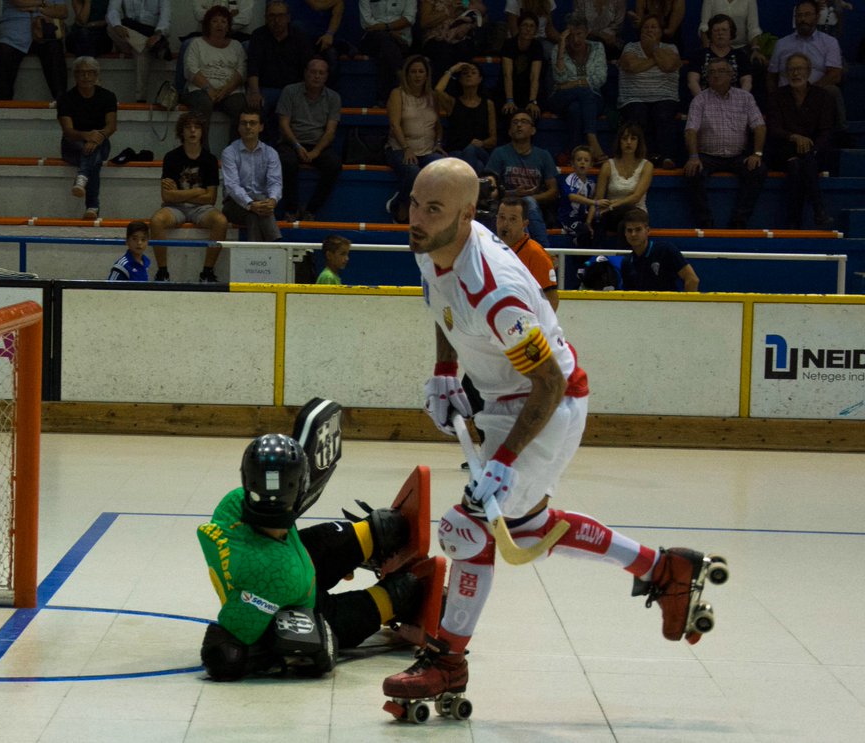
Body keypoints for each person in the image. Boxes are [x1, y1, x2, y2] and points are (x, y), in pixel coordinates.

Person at [381, 157, 718, 702]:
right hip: (500, 399)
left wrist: (503, 462)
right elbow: (441, 305)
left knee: (466, 530)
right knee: (527, 530)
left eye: (433, 208)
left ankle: (448, 662)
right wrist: (446, 372)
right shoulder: (431, 244)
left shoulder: (498, 290)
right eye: (415, 202)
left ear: (467, 215)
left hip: (548, 406)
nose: (416, 217)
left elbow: (550, 385)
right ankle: (663, 568)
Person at [198, 425, 424, 682]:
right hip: (291, 598)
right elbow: (227, 646)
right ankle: (390, 586)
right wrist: (290, 651)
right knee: (372, 602)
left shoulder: (234, 502)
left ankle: (382, 565)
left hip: (289, 566)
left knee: (350, 539)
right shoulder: (273, 576)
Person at [683, 58, 766, 229]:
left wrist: (757, 153)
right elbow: (691, 130)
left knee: (758, 169)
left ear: (731, 75)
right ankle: (704, 221)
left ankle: (739, 221)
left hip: (738, 156)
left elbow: (759, 126)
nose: (715, 75)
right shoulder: (700, 100)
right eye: (711, 72)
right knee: (692, 171)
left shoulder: (745, 98)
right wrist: (693, 157)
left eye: (720, 71)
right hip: (707, 156)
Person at [149, 112, 228, 282]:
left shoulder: (210, 159)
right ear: (181, 132)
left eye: (197, 127)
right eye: (188, 127)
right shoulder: (171, 157)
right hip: (175, 208)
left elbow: (211, 199)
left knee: (221, 221)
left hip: (201, 209)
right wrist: (197, 192)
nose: (192, 131)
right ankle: (162, 272)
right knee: (156, 221)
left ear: (202, 132)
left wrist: (180, 194)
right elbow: (167, 195)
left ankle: (207, 272)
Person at [767, 52, 836, 228]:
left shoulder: (823, 96)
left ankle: (793, 220)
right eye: (791, 69)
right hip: (784, 150)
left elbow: (826, 131)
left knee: (801, 164)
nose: (795, 73)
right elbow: (774, 128)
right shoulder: (777, 96)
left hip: (814, 151)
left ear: (809, 71)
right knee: (798, 162)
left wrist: (812, 147)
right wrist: (794, 137)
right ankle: (819, 211)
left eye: (799, 69)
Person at [277, 57, 342, 222]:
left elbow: (330, 131)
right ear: (305, 73)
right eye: (313, 72)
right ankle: (291, 209)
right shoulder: (290, 91)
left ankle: (311, 210)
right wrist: (297, 146)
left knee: (334, 165)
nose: (317, 76)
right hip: (291, 141)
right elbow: (284, 124)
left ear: (327, 76)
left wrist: (316, 152)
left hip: (318, 144)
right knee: (287, 162)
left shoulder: (334, 97)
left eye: (321, 73)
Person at [768, 1, 847, 135]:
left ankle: (841, 133)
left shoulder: (829, 42)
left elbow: (835, 74)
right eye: (799, 15)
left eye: (807, 15)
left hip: (817, 95)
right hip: (787, 97)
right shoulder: (782, 44)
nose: (803, 19)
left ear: (817, 17)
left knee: (833, 91)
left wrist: (809, 91)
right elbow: (771, 76)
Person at [384, 55, 444, 224]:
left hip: (427, 149)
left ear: (426, 75)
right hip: (399, 148)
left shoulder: (432, 96)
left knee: (442, 166)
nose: (417, 75)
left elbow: (438, 124)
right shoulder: (397, 94)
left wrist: (438, 143)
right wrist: (406, 148)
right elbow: (395, 124)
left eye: (421, 71)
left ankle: (430, 213)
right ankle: (401, 203)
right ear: (407, 74)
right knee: (413, 171)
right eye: (413, 72)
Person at [484, 111, 557, 249]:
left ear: (533, 130)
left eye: (524, 121)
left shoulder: (543, 155)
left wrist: (532, 197)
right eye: (515, 122)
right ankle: (542, 251)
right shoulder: (499, 153)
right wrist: (513, 194)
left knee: (528, 202)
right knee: (524, 203)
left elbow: (553, 191)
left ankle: (542, 251)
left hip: (535, 206)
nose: (519, 125)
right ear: (510, 131)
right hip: (505, 204)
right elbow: (489, 189)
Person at [57, 56, 118, 220]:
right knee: (94, 160)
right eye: (81, 73)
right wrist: (86, 135)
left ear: (97, 75)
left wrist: (97, 137)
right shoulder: (65, 99)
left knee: (95, 150)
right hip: (72, 145)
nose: (86, 77)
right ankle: (92, 206)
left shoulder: (108, 96)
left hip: (100, 141)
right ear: (75, 76)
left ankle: (82, 178)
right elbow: (68, 130)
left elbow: (111, 126)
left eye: (90, 73)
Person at [247, 2, 318, 139]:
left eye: (280, 15)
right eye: (272, 16)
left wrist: (307, 91)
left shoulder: (299, 36)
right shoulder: (258, 35)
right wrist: (254, 92)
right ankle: (265, 148)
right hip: (267, 88)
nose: (276, 20)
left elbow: (308, 66)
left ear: (288, 18)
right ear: (266, 18)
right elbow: (253, 68)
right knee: (256, 108)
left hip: (294, 89)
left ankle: (288, 147)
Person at [617, 14, 681, 167]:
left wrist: (653, 48)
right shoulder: (630, 47)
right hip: (634, 98)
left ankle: (667, 157)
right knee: (638, 114)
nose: (649, 30)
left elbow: (668, 65)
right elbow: (632, 66)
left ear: (661, 31)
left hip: (665, 96)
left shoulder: (671, 48)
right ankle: (642, 158)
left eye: (654, 27)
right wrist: (655, 59)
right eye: (646, 27)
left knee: (663, 113)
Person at [181, 6, 248, 148]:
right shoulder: (196, 43)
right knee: (203, 104)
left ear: (228, 26)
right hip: (200, 89)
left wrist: (226, 90)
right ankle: (202, 151)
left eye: (223, 21)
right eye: (215, 21)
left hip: (229, 91)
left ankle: (234, 152)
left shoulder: (236, 46)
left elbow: (242, 70)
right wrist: (208, 89)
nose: (219, 25)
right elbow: (190, 69)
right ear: (207, 24)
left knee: (241, 107)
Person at [547, 14, 608, 163]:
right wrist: (561, 45)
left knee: (575, 108)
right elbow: (560, 79)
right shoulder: (558, 49)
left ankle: (575, 152)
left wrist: (574, 83)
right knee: (583, 92)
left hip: (593, 99)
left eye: (579, 34)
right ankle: (592, 139)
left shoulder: (597, 47)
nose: (575, 40)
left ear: (587, 32)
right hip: (561, 98)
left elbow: (600, 78)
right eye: (571, 35)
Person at [221, 109, 283, 242]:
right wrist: (251, 203)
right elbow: (232, 185)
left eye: (252, 123)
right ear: (238, 127)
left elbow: (275, 182)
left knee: (253, 216)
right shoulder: (229, 152)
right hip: (234, 205)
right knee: (256, 207)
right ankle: (275, 243)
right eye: (244, 123)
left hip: (261, 205)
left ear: (261, 127)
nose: (248, 127)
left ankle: (255, 255)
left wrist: (272, 200)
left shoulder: (271, 153)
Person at [593, 122, 655, 247]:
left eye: (633, 138)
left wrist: (613, 205)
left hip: (636, 212)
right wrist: (591, 218)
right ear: (619, 142)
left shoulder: (647, 166)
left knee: (625, 224)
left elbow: (636, 197)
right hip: (612, 214)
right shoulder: (608, 165)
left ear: (639, 142)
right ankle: (595, 261)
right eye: (624, 138)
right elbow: (598, 198)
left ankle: (623, 264)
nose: (628, 142)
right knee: (599, 221)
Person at [0, 0, 69, 101]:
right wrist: (43, 3)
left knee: (55, 48)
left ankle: (62, 102)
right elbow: (18, 2)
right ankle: (5, 101)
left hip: (45, 32)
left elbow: (63, 12)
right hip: (14, 32)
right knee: (4, 51)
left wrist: (38, 8)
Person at [495, 196, 559, 309]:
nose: (505, 224)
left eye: (513, 219)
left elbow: (551, 300)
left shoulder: (536, 254)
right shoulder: (490, 248)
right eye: (502, 217)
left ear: (525, 223)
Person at [435, 62, 496, 174]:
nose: (469, 75)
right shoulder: (452, 103)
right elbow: (438, 90)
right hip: (457, 152)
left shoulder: (488, 104)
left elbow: (493, 139)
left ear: (480, 79)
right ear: (459, 79)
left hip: (480, 150)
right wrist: (452, 69)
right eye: (465, 73)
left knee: (471, 150)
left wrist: (482, 143)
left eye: (473, 72)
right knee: (478, 165)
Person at [106, 0, 172, 103]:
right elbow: (113, 10)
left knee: (141, 52)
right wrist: (117, 25)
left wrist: (157, 34)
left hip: (150, 35)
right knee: (110, 28)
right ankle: (150, 47)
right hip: (129, 35)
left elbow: (165, 17)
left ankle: (140, 99)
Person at [619, 208, 700, 290]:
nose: (633, 234)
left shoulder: (666, 250)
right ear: (625, 233)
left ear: (648, 231)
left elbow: (692, 279)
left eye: (638, 229)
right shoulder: (627, 262)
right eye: (629, 230)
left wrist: (685, 303)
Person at [359, 0, 417, 107]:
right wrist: (388, 33)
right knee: (384, 40)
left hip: (401, 39)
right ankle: (400, 75)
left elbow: (409, 18)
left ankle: (382, 100)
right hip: (372, 39)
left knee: (386, 51)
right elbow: (367, 22)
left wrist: (387, 28)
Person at [687, 13, 753, 96]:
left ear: (731, 33)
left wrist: (740, 100)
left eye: (724, 30)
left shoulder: (741, 55)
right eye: (716, 30)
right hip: (705, 101)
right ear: (710, 33)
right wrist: (702, 101)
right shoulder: (699, 55)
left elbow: (746, 81)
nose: (720, 33)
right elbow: (692, 82)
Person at [499, 12, 544, 125]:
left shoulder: (537, 46)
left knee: (533, 112)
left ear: (536, 30)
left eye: (531, 26)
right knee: (508, 111)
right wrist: (509, 100)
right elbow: (507, 74)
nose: (528, 29)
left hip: (528, 90)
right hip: (508, 89)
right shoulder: (509, 44)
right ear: (519, 27)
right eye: (525, 25)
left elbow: (534, 76)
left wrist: (532, 101)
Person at [418, 0, 483, 78]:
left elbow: (481, 11)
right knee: (444, 51)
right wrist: (448, 12)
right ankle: (443, 86)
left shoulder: (464, 1)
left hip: (460, 37)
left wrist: (469, 22)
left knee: (465, 48)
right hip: (436, 38)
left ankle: (463, 85)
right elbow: (424, 22)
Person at [557, 145, 596, 248]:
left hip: (583, 218)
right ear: (573, 164)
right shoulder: (570, 179)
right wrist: (594, 202)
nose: (582, 162)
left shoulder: (591, 184)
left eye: (586, 160)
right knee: (583, 232)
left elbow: (592, 203)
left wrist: (588, 222)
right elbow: (572, 196)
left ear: (591, 165)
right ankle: (581, 259)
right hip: (568, 218)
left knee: (597, 227)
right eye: (579, 160)